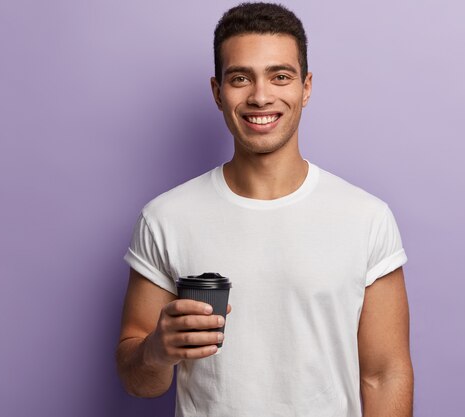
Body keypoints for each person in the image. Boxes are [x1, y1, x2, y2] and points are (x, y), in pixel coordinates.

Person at [116, 3, 413, 416]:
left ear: (306, 87)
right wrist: (155, 350)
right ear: (217, 92)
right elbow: (137, 380)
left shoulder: (366, 218)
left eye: (280, 76)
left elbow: (385, 375)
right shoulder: (165, 218)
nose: (260, 96)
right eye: (240, 78)